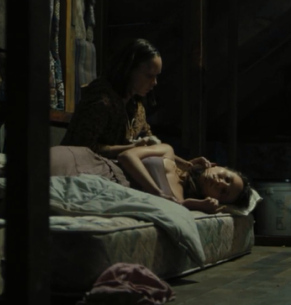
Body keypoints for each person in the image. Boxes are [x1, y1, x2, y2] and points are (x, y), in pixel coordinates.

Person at [61, 38, 162, 158]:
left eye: (156, 76)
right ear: (129, 69)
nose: (154, 82)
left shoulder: (136, 106)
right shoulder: (101, 100)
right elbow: (82, 147)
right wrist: (133, 148)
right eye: (149, 76)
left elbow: (150, 141)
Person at [115, 143, 253, 214]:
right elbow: (126, 156)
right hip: (107, 169)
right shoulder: (168, 152)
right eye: (227, 178)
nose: (219, 183)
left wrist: (194, 204)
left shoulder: (179, 200)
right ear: (219, 166)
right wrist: (157, 192)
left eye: (223, 191)